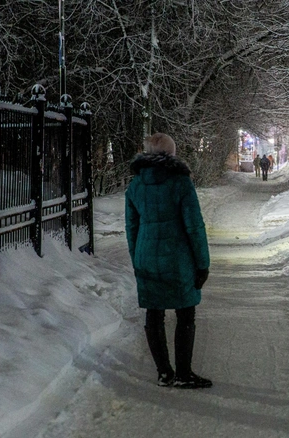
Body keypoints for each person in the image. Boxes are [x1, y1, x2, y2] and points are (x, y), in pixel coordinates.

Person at [125, 132, 212, 389]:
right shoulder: (181, 183)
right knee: (185, 313)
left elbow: (132, 228)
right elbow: (194, 226)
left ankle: (164, 373)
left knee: (154, 313)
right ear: (171, 155)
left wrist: (137, 259)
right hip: (178, 259)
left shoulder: (135, 185)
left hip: (147, 258)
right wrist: (202, 263)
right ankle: (184, 373)